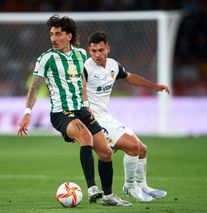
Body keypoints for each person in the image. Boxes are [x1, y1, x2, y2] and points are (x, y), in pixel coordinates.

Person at [17, 15, 131, 207]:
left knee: (106, 153)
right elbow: (35, 87)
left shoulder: (80, 55)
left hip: (81, 110)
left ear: (69, 36)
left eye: (58, 34)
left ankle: (109, 196)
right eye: (52, 34)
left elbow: (82, 80)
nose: (54, 38)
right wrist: (28, 111)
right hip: (62, 113)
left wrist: (87, 104)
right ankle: (92, 188)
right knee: (85, 136)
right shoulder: (46, 58)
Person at [84, 31, 169, 202]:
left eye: (101, 50)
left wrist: (154, 86)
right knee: (132, 147)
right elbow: (77, 90)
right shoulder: (85, 68)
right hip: (93, 119)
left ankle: (143, 185)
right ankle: (130, 186)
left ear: (108, 48)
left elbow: (129, 77)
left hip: (106, 116)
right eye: (94, 51)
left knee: (142, 149)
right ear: (89, 50)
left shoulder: (114, 65)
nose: (98, 55)